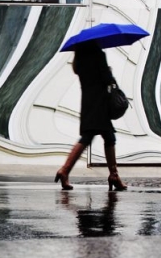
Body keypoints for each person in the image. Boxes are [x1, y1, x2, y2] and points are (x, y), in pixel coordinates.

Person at [54, 42, 127, 191]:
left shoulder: (79, 57)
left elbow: (81, 73)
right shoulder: (99, 54)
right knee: (95, 137)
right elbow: (106, 79)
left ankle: (113, 175)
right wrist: (109, 71)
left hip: (88, 102)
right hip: (100, 103)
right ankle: (66, 170)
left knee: (104, 136)